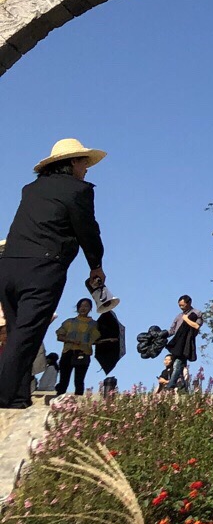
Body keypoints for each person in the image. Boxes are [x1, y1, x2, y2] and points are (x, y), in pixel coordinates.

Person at [0, 139, 107, 409]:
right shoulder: (78, 190)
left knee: (19, 334)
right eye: (84, 162)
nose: (87, 169)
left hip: (8, 266)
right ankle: (4, 395)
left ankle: (18, 396)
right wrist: (96, 264)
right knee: (26, 335)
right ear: (72, 162)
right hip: (43, 269)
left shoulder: (31, 189)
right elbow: (87, 229)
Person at [53, 297, 99, 397]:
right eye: (81, 306)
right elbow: (59, 336)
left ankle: (78, 401)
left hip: (83, 354)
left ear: (90, 308)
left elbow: (95, 340)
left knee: (79, 380)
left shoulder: (94, 324)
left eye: (86, 306)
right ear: (77, 308)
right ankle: (59, 400)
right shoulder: (69, 322)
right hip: (68, 352)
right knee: (64, 379)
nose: (83, 308)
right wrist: (71, 340)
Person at [159, 295, 200, 393]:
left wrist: (186, 319)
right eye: (179, 306)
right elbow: (172, 331)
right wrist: (162, 335)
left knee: (178, 364)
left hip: (186, 344)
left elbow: (197, 326)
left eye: (183, 305)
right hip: (177, 343)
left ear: (189, 303)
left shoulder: (196, 313)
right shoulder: (178, 316)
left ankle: (171, 385)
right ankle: (182, 389)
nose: (181, 307)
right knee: (179, 368)